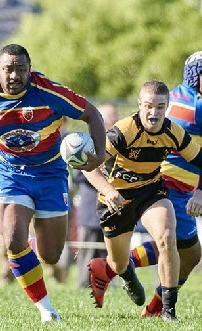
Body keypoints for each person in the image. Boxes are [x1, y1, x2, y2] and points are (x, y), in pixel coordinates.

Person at [0, 43, 106, 322]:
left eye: (21, 69)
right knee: (11, 237)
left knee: (51, 255)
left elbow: (92, 113)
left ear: (29, 70)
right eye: (9, 69)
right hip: (11, 174)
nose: (15, 76)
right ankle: (47, 310)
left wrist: (100, 155)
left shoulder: (50, 93)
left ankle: (27, 247)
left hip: (50, 174)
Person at [86, 80, 202, 322]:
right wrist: (108, 189)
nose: (153, 113)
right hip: (116, 199)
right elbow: (88, 166)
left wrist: (200, 193)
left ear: (167, 107)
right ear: (139, 105)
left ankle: (168, 311)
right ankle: (127, 275)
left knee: (167, 238)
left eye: (159, 107)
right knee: (117, 262)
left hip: (150, 191)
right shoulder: (122, 131)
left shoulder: (173, 132)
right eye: (148, 106)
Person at [128, 51, 202, 317]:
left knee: (177, 248)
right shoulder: (201, 107)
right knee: (184, 251)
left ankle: (148, 299)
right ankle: (117, 269)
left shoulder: (174, 96)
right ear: (194, 76)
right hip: (175, 187)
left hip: (157, 180)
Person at [75, 104, 119, 289]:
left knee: (112, 254)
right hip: (91, 210)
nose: (114, 122)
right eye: (110, 119)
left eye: (115, 118)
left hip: (114, 209)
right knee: (88, 255)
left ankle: (108, 287)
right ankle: (84, 288)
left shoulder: (121, 142)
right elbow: (79, 174)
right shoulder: (86, 143)